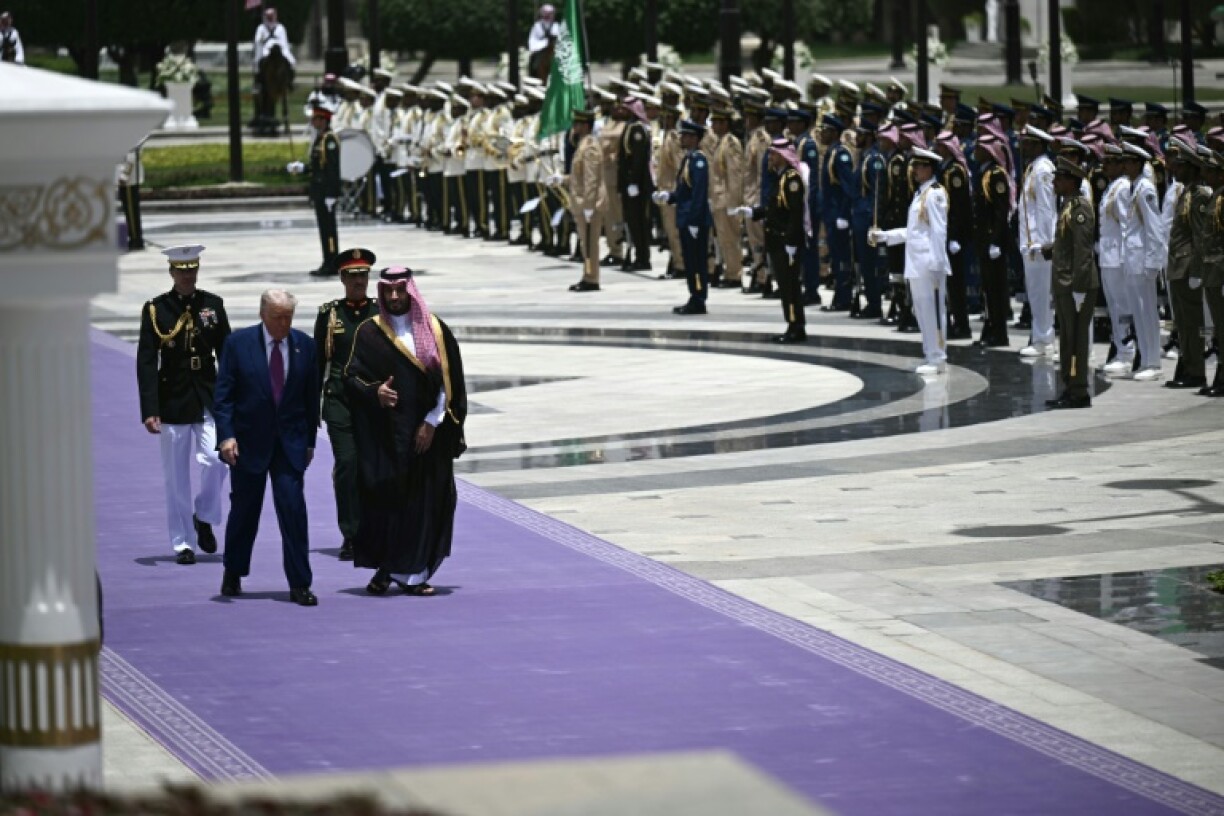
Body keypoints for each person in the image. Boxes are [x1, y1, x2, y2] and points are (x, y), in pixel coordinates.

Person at [343, 267, 468, 597]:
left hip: (429, 436)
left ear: (410, 292)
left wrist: (431, 421)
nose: (395, 297)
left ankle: (414, 575)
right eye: (389, 291)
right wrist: (376, 393)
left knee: (427, 504)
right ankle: (387, 568)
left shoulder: (435, 330)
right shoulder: (370, 333)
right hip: (387, 438)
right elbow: (351, 377)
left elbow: (448, 381)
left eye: (401, 290)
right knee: (389, 504)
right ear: (382, 294)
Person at [214, 290, 320, 606]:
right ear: (263, 314)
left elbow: (311, 398)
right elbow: (224, 397)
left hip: (290, 444)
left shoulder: (305, 345)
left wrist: (310, 441)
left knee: (293, 511)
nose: (284, 323)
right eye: (277, 317)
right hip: (248, 443)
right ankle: (233, 571)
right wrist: (226, 436)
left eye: (288, 316)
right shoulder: (237, 344)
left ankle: (300, 583)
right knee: (245, 511)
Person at [137, 245, 232, 565]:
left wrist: (233, 399)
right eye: (181, 270)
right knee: (175, 475)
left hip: (207, 392)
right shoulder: (156, 309)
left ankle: (203, 515)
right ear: (172, 273)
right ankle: (182, 543)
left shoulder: (213, 305)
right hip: (172, 397)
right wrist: (150, 408)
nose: (187, 275)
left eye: (192, 269)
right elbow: (147, 361)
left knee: (216, 459)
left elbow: (227, 355)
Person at [314, 249, 379, 561]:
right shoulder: (330, 314)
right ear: (341, 278)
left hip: (373, 402)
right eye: (352, 276)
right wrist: (309, 409)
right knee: (348, 465)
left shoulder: (381, 313)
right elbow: (317, 364)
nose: (358, 281)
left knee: (373, 467)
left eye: (363, 275)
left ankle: (375, 528)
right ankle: (351, 534)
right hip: (340, 400)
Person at [870, 148, 952, 375]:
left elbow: (939, 230)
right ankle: (930, 354)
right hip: (917, 261)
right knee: (922, 309)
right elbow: (914, 232)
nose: (914, 170)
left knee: (933, 310)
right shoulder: (921, 193)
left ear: (929, 168)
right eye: (914, 166)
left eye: (919, 166)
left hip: (928, 262)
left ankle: (938, 357)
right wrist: (886, 236)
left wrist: (937, 262)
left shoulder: (934, 194)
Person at [1042, 158, 1100, 409]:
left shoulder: (1080, 209)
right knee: (1066, 338)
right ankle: (1069, 385)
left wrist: (1079, 288)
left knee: (1076, 340)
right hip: (1064, 282)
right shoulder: (1067, 205)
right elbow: (1067, 245)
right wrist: (1051, 249)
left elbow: (1083, 251)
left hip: (1076, 285)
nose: (1055, 182)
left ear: (1071, 181)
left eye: (1059, 178)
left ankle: (1078, 390)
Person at [743, 138, 808, 342]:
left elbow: (795, 214)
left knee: (789, 286)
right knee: (785, 285)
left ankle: (795, 326)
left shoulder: (791, 179)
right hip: (777, 241)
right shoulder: (779, 178)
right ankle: (792, 324)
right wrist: (755, 212)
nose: (770, 158)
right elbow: (774, 209)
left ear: (782, 156)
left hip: (784, 242)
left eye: (773, 154)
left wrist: (790, 241)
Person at [1163, 140, 1213, 390]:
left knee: (1192, 324)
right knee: (1183, 324)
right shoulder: (1185, 193)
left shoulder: (1198, 196)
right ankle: (1189, 367)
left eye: (1180, 165)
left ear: (1193, 168)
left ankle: (1196, 372)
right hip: (1177, 267)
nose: (1174, 168)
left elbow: (1200, 237)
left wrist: (1196, 271)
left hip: (1186, 268)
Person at [654, 119, 713, 315]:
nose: (682, 138)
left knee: (696, 262)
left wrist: (695, 221)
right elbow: (684, 192)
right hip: (685, 218)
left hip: (693, 220)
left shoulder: (698, 160)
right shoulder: (689, 159)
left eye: (686, 135)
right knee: (690, 261)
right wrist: (669, 196)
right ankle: (694, 295)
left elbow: (698, 194)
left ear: (695, 138)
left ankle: (699, 298)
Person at [1017, 126, 1058, 358]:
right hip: (1030, 242)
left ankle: (1044, 339)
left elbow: (1045, 208)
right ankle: (1039, 335)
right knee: (1035, 293)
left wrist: (1045, 242)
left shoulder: (1043, 170)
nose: (1025, 147)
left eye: (1029, 143)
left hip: (1038, 244)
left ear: (1039, 145)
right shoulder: (1034, 168)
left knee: (1041, 293)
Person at [289, 105, 341, 276]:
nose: (313, 122)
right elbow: (317, 167)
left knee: (329, 229)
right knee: (323, 228)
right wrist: (301, 168)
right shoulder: (320, 138)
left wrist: (332, 194)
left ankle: (333, 262)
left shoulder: (330, 139)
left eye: (316, 119)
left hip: (327, 192)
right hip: (319, 191)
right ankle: (327, 260)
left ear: (323, 120)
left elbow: (333, 169)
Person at [566, 109, 606, 292]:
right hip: (581, 202)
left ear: (586, 126)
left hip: (589, 204)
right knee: (585, 242)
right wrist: (562, 179)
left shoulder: (589, 146)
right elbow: (578, 176)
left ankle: (591, 278)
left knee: (590, 243)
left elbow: (592, 179)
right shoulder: (583, 144)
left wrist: (589, 206)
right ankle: (587, 275)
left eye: (577, 124)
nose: (574, 127)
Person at [117, 143, 146, 251]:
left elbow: (132, 156)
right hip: (124, 177)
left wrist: (124, 174)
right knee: (129, 210)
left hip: (129, 179)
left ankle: (136, 240)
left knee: (132, 211)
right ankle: (134, 238)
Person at [252, 7, 295, 71]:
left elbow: (284, 42)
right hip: (266, 49)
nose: (270, 18)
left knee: (290, 61)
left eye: (271, 16)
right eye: (268, 16)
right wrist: (262, 40)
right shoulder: (261, 28)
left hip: (279, 49)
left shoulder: (280, 27)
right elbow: (257, 41)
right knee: (260, 61)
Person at [527, 4, 560, 79]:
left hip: (553, 48)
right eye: (546, 13)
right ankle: (533, 75)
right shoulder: (537, 25)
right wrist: (535, 47)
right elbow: (532, 39)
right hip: (540, 48)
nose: (548, 15)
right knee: (534, 61)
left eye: (550, 13)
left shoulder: (556, 25)